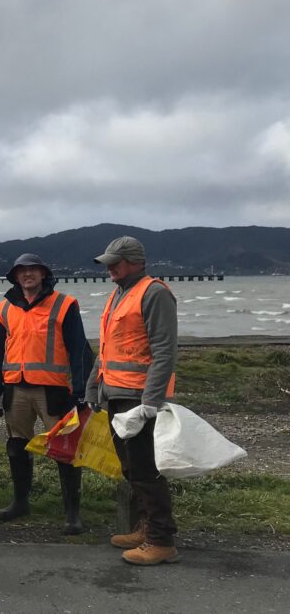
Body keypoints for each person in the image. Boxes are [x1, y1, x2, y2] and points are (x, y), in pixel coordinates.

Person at [85, 236, 181, 565]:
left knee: (145, 470)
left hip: (139, 399)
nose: (109, 268)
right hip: (116, 395)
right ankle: (146, 527)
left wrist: (150, 403)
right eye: (108, 263)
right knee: (130, 468)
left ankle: (161, 540)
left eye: (115, 262)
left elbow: (164, 351)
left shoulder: (154, 293)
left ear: (135, 262)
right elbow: (106, 350)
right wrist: (93, 389)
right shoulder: (119, 294)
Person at [0, 254, 92, 533]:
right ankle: (20, 502)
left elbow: (80, 350)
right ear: (15, 276)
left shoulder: (64, 305)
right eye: (22, 270)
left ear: (43, 273)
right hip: (15, 388)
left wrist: (81, 391)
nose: (28, 274)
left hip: (53, 390)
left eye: (33, 269)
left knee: (65, 449)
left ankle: (72, 513)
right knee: (16, 445)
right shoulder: (4, 308)